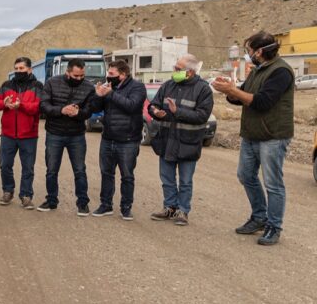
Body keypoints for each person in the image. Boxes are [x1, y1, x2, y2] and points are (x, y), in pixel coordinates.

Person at [212, 31, 295, 245]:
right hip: (251, 133)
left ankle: (273, 226)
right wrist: (229, 91)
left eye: (249, 51)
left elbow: (262, 102)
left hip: (272, 136)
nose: (248, 54)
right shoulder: (257, 70)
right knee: (245, 175)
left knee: (273, 183)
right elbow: (242, 98)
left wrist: (233, 91)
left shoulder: (281, 71)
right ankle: (259, 217)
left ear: (259, 51)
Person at [147, 54, 214, 226]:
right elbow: (153, 104)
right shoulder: (168, 85)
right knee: (167, 179)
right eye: (175, 67)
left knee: (185, 181)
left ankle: (183, 211)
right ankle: (169, 207)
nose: (174, 71)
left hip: (188, 143)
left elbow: (202, 116)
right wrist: (156, 112)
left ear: (190, 72)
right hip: (167, 140)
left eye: (178, 69)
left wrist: (177, 112)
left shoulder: (203, 89)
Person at [89, 60, 147, 220]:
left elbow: (132, 106)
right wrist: (98, 96)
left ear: (123, 74)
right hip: (108, 138)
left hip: (128, 140)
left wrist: (110, 94)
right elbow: (95, 109)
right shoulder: (109, 87)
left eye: (112, 74)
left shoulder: (137, 87)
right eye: (108, 73)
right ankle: (105, 205)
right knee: (106, 173)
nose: (108, 76)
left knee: (127, 175)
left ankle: (126, 207)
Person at [38, 58, 97, 215]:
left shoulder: (89, 87)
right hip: (54, 134)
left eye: (82, 76)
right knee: (51, 170)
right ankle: (51, 201)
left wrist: (79, 113)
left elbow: (89, 110)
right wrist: (61, 110)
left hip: (76, 135)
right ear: (68, 72)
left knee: (79, 170)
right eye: (76, 75)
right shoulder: (52, 82)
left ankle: (82, 203)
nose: (79, 79)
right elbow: (43, 106)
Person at [0, 57, 43, 209]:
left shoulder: (37, 86)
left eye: (22, 69)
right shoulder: (6, 85)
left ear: (29, 70)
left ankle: (26, 195)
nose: (18, 71)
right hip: (8, 134)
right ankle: (8, 191)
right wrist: (4, 103)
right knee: (5, 164)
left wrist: (22, 105)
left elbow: (38, 107)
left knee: (28, 167)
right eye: (16, 68)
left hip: (29, 135)